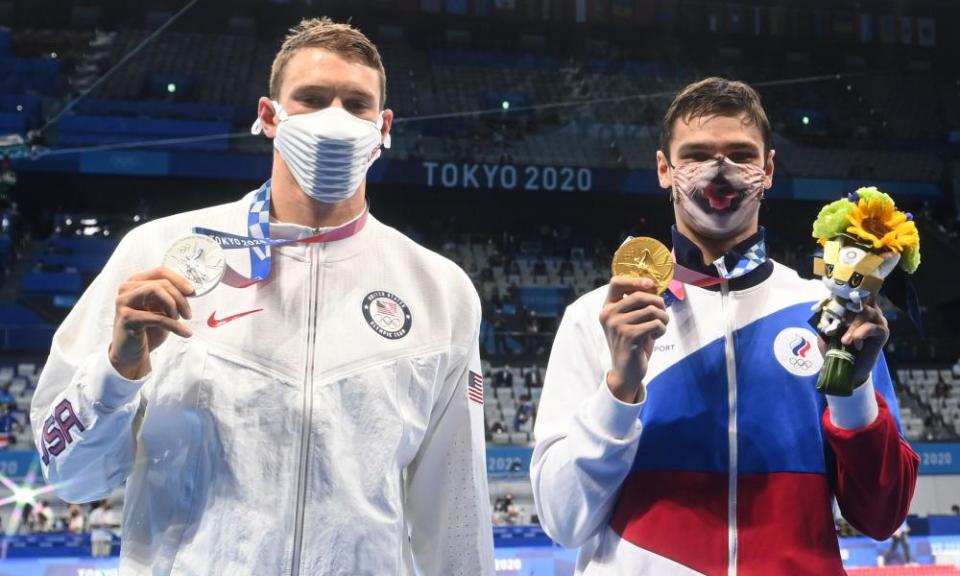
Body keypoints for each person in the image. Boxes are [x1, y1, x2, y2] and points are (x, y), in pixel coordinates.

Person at [30, 17, 493, 575]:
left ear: (384, 126)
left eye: (356, 104)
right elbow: (71, 476)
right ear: (270, 116)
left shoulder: (440, 291)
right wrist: (116, 371)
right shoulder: (157, 253)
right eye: (312, 99)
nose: (334, 121)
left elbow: (457, 513)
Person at [532, 77, 919, 575]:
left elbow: (883, 518)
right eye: (696, 155)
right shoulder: (597, 318)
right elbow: (562, 521)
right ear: (664, 170)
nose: (721, 172)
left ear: (769, 168)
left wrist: (855, 388)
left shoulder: (831, 316)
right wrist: (619, 389)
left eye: (741, 154)